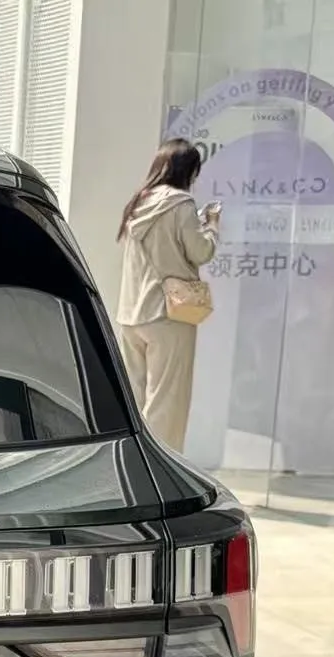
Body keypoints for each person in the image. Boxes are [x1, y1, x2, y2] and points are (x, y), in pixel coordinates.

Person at [116, 138, 221, 452]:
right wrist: (212, 226)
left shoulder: (138, 203)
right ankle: (163, 469)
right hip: (169, 314)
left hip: (131, 315)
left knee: (133, 402)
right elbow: (200, 251)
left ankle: (133, 461)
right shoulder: (181, 204)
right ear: (187, 171)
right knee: (167, 403)